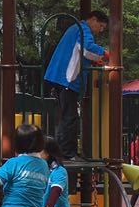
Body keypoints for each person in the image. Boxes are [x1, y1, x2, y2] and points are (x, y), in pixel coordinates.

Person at [43, 11, 110, 159]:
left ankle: (63, 151)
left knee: (67, 116)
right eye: (101, 26)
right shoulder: (82, 29)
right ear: (93, 19)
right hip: (67, 79)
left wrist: (95, 60)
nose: (100, 30)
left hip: (61, 77)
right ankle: (66, 153)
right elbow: (87, 48)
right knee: (70, 117)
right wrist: (105, 54)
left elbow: (81, 52)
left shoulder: (75, 28)